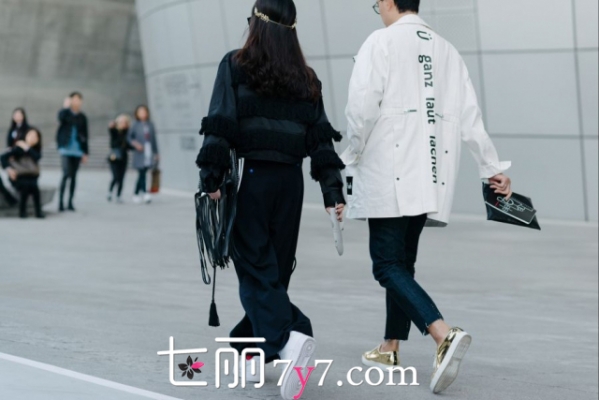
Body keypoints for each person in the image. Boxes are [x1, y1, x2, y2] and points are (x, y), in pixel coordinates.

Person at [342, 0, 513, 394]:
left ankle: (442, 333)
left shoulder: (381, 41)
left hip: (389, 170)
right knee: (403, 263)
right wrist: (490, 166)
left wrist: (351, 153)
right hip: (431, 176)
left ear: (389, 2)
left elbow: (362, 107)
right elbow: (470, 116)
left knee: (386, 265)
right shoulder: (447, 50)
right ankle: (389, 347)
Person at [196, 1, 345, 398]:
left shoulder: (235, 65)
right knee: (272, 274)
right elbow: (321, 139)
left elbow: (220, 121)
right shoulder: (306, 78)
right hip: (290, 186)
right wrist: (332, 191)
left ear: (256, 24)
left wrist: (211, 177)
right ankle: (252, 353)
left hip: (252, 180)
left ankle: (294, 335)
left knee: (256, 273)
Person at [1, 128, 44, 218]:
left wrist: (27, 147)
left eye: (35, 136)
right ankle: (22, 211)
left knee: (34, 188)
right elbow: (3, 157)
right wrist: (9, 169)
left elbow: (37, 157)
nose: (32, 138)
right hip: (18, 176)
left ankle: (38, 211)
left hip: (31, 177)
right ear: (26, 136)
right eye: (30, 135)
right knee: (26, 187)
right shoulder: (18, 148)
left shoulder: (35, 150)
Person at [56, 92, 89, 212]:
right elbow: (60, 118)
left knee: (74, 176)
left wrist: (85, 152)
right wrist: (65, 107)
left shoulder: (82, 117)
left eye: (78, 99)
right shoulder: (65, 113)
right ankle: (60, 202)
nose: (76, 101)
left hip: (77, 150)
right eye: (73, 99)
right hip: (65, 148)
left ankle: (70, 202)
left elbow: (86, 134)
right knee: (65, 174)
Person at [128, 105, 159, 204]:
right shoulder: (135, 124)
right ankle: (145, 193)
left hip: (148, 151)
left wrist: (156, 153)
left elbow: (153, 139)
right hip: (139, 153)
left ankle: (136, 193)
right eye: (140, 112)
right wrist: (136, 144)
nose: (142, 114)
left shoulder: (150, 124)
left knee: (143, 174)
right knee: (142, 173)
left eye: (144, 112)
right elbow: (129, 138)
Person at [107, 114, 132, 203]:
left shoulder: (128, 133)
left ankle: (118, 195)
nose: (123, 124)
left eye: (125, 122)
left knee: (121, 178)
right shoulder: (114, 131)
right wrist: (112, 126)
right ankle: (110, 192)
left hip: (123, 157)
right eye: (121, 122)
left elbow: (129, 146)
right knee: (115, 177)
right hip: (114, 158)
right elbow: (111, 131)